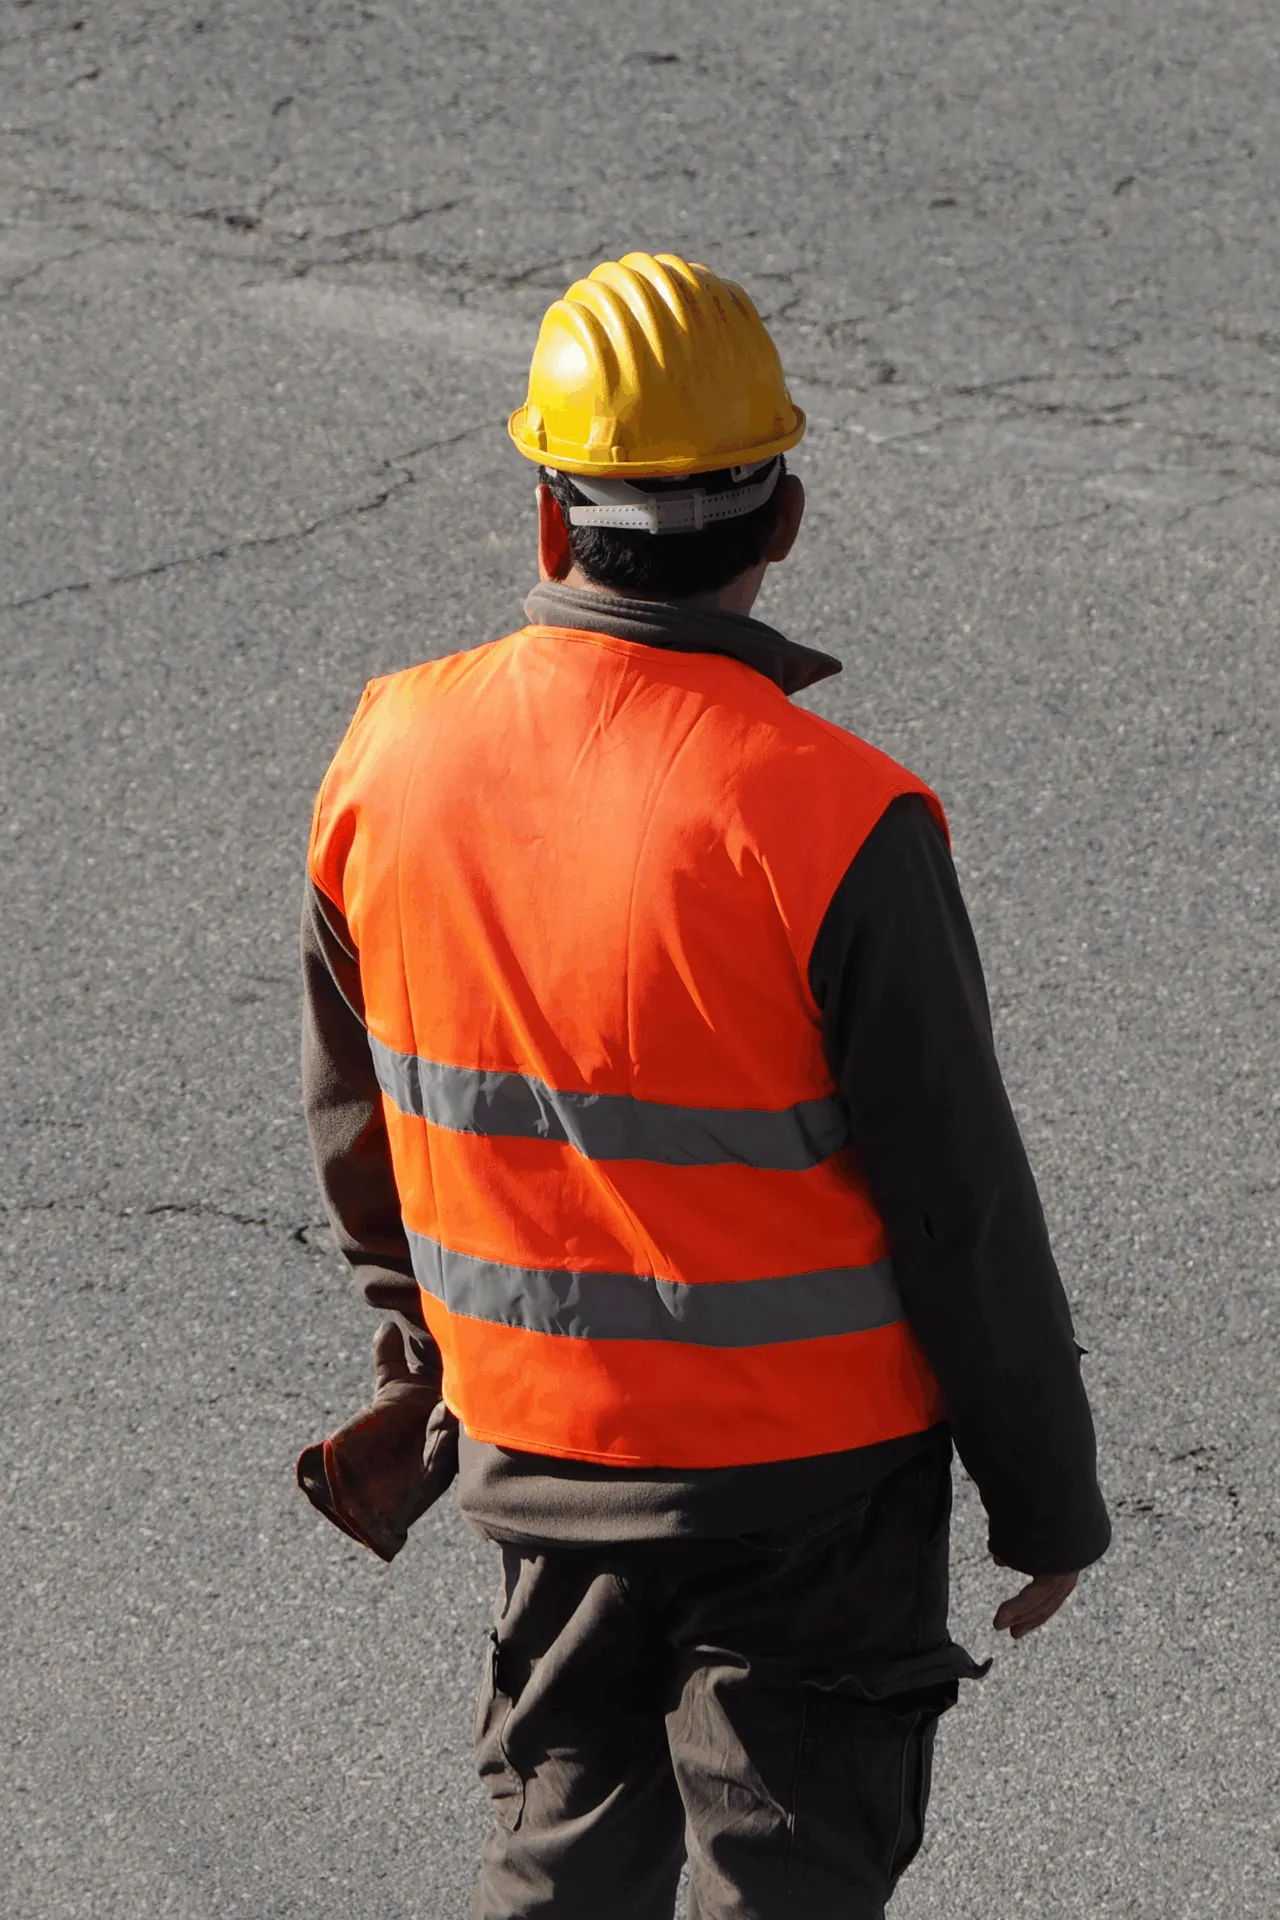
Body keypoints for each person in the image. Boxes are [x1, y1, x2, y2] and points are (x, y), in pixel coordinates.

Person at [296, 251, 1110, 1920]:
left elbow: (362, 1127)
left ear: (548, 517)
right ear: (785, 516)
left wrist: (436, 1357)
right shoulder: (836, 818)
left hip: (538, 1449)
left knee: (559, 1858)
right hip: (814, 1498)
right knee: (792, 1875)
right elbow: (960, 1209)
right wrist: (1050, 1505)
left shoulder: (390, 758)